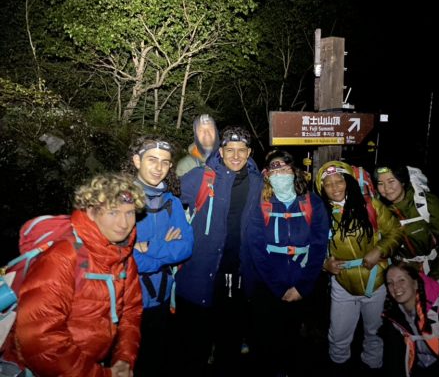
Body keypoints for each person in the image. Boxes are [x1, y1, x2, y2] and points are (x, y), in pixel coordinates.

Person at [2, 173, 145, 377]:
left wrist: (124, 359)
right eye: (113, 212)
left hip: (91, 364)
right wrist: (102, 375)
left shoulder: (122, 255)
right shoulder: (63, 256)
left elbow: (131, 312)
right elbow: (40, 341)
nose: (124, 223)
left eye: (130, 213)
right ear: (91, 212)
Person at [175, 125, 263, 376]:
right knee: (193, 349)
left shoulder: (258, 184)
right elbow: (165, 199)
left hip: (237, 278)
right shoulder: (200, 177)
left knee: (230, 347)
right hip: (198, 275)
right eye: (230, 149)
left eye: (242, 150)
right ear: (221, 151)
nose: (236, 155)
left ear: (249, 152)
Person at [243, 150, 329, 377]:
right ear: (267, 175)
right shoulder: (261, 205)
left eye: (285, 169)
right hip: (268, 286)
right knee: (266, 339)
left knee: (295, 339)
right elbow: (256, 248)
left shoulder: (313, 204)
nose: (280, 174)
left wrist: (302, 287)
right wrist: (279, 287)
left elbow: (319, 247)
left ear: (294, 171)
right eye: (275, 170)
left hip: (302, 283)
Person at [315, 161, 402, 375]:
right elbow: (311, 247)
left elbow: (395, 232)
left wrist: (380, 251)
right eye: (328, 184)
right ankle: (338, 367)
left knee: (375, 332)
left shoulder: (370, 205)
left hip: (377, 280)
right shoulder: (320, 215)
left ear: (349, 182)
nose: (335, 188)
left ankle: (373, 367)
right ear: (322, 189)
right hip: (342, 284)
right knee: (338, 335)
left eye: (339, 181)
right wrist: (324, 264)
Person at [121, 136, 194, 376]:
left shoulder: (171, 202)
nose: (159, 167)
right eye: (152, 160)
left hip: (161, 298)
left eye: (165, 162)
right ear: (136, 160)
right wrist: (163, 247)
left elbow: (186, 247)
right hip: (126, 301)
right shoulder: (118, 200)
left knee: (154, 361)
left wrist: (147, 247)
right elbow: (121, 256)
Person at [373, 165, 439, 282]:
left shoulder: (426, 204)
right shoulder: (381, 211)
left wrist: (437, 277)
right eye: (380, 183)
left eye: (391, 181)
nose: (386, 188)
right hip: (402, 278)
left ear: (403, 182)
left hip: (433, 272)